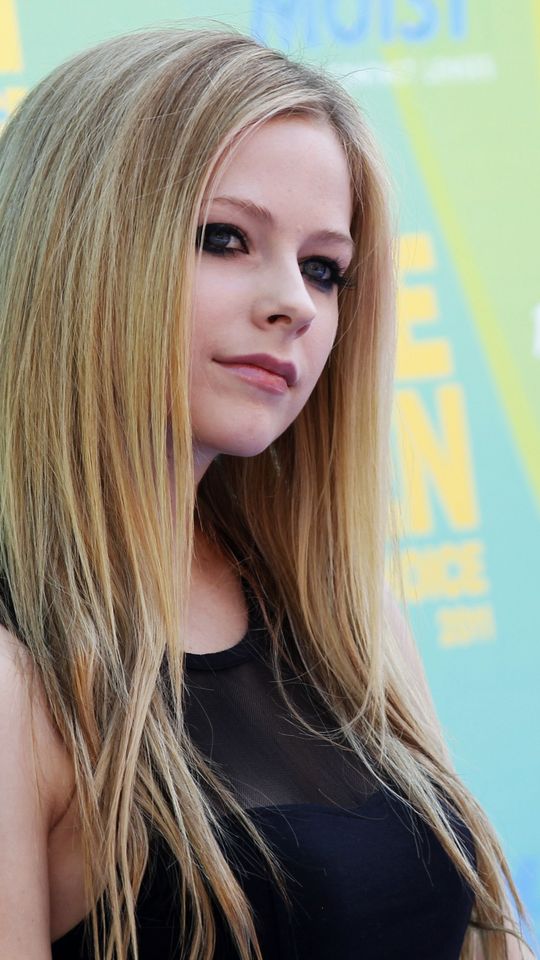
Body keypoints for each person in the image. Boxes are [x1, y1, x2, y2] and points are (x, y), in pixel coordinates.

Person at [0, 24, 533, 960]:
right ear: (74, 249)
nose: (294, 303)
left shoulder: (348, 616)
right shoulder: (18, 673)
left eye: (325, 268)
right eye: (225, 238)